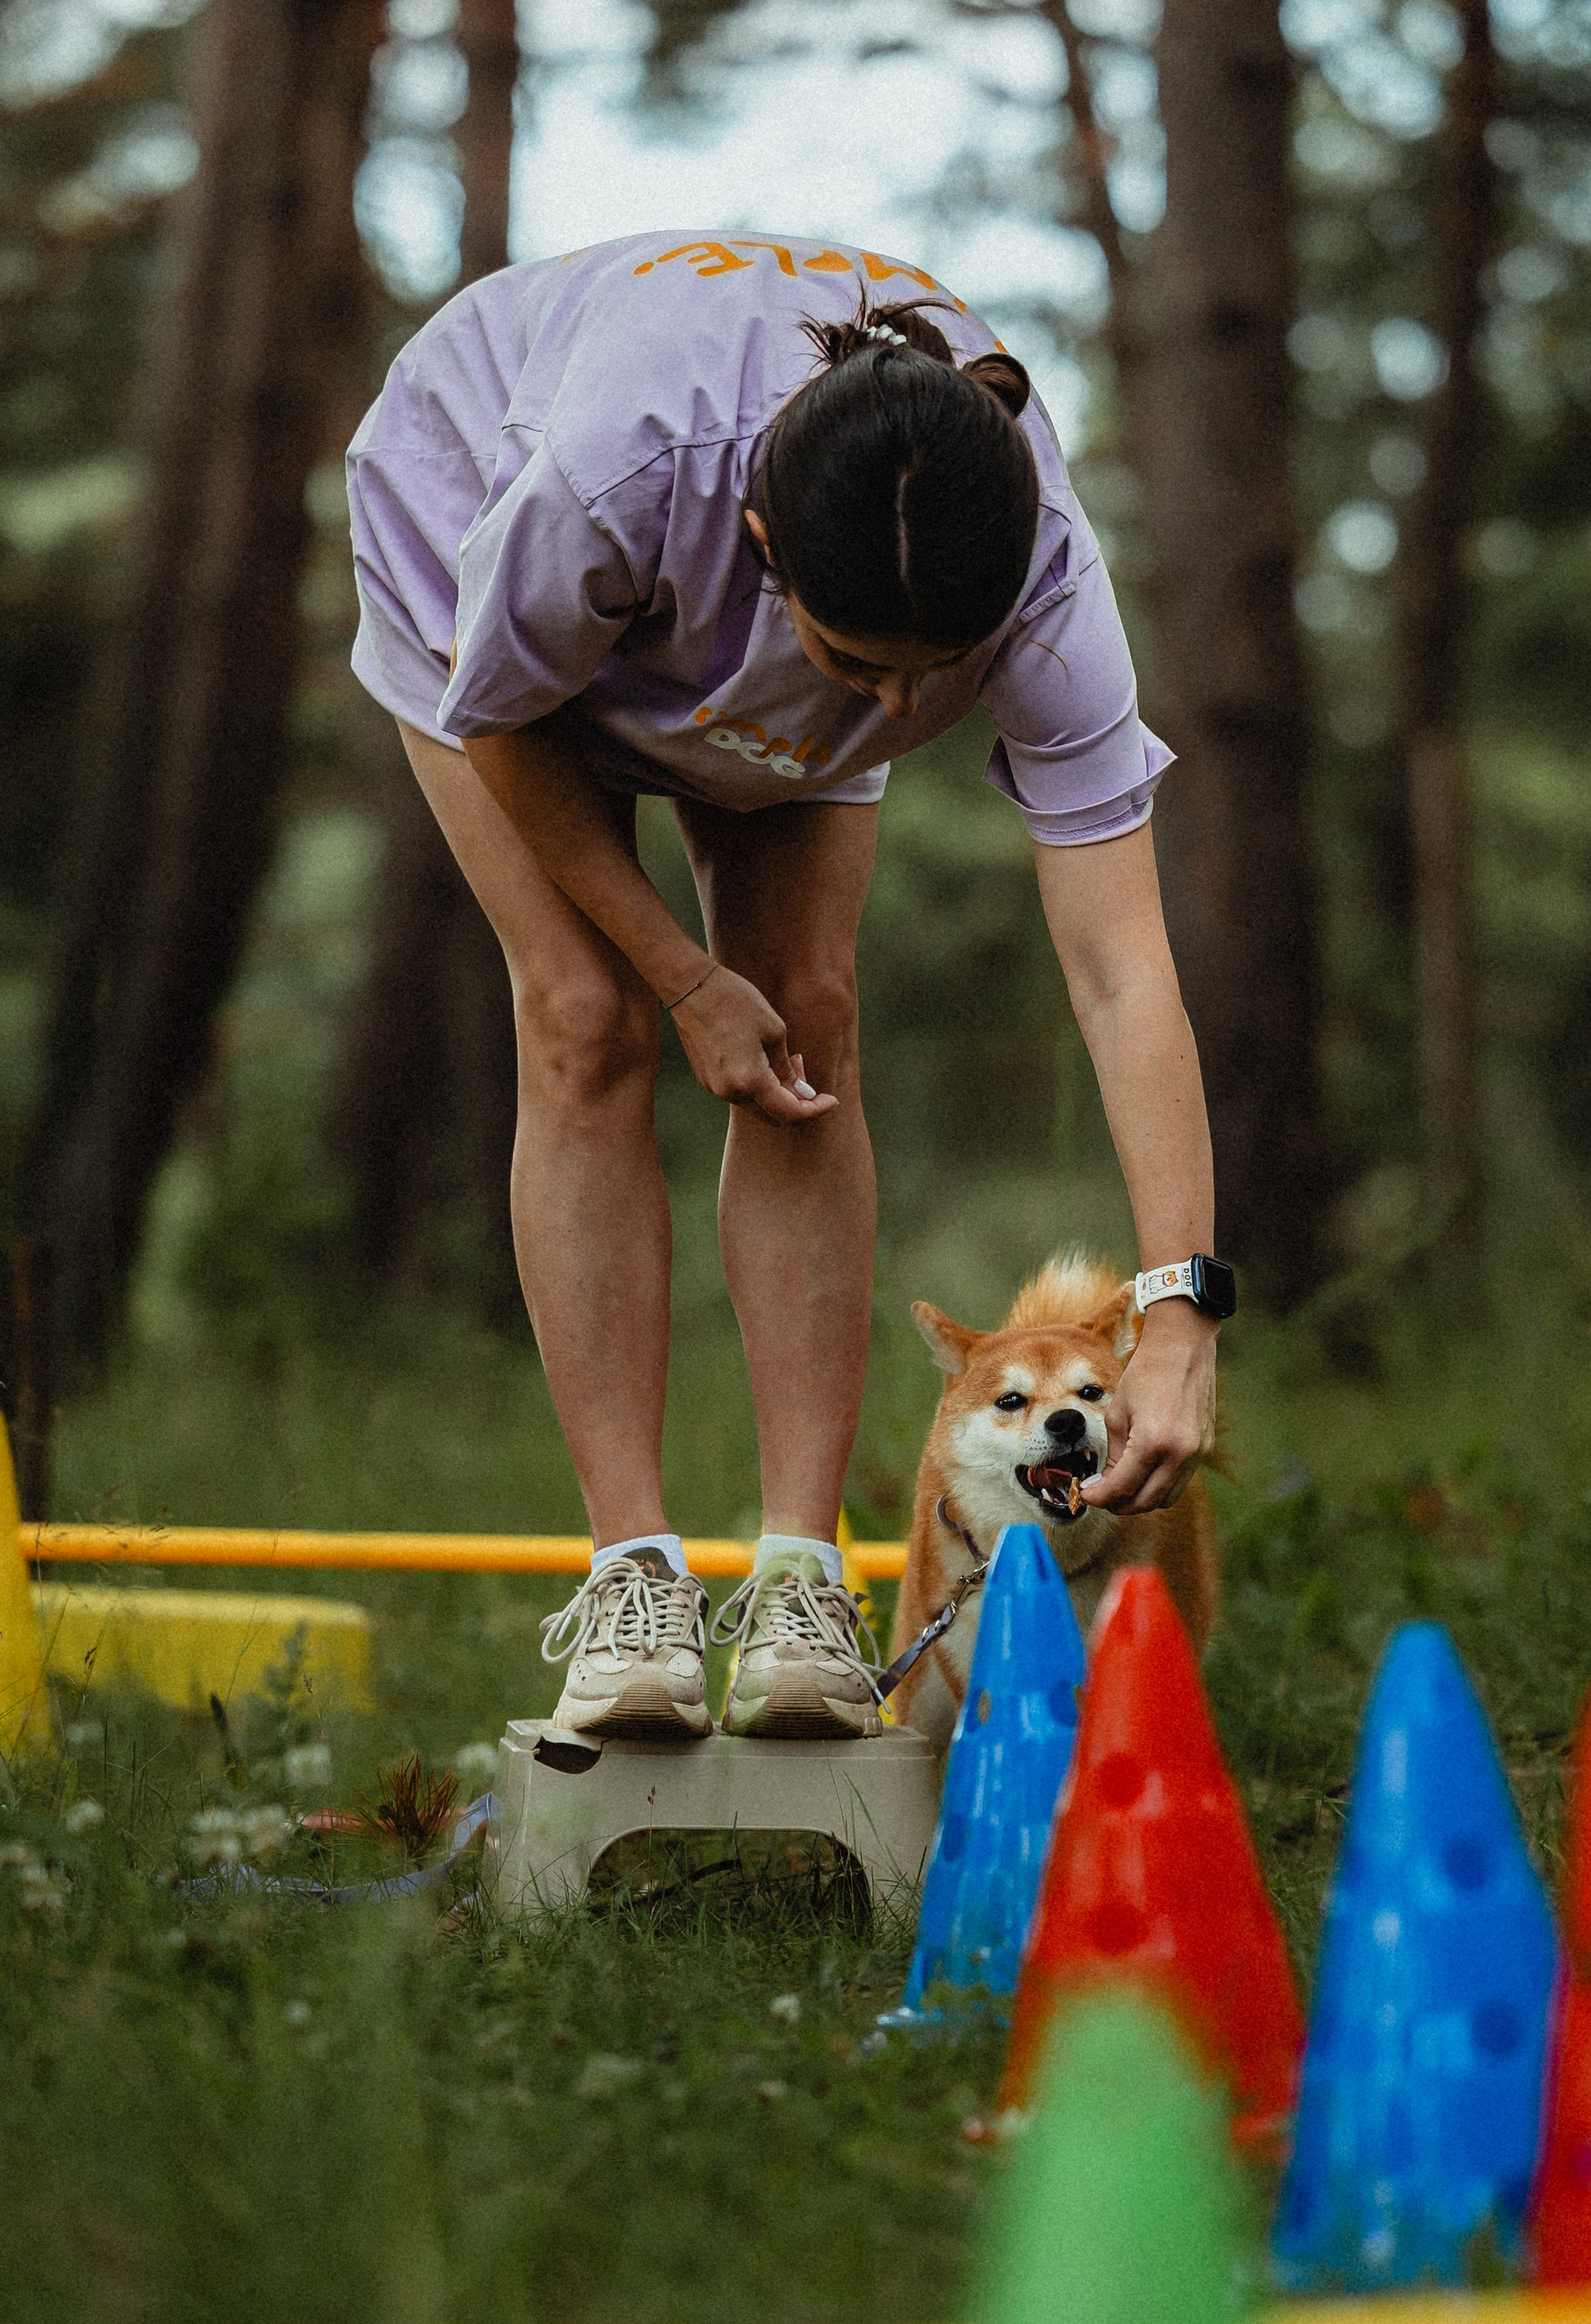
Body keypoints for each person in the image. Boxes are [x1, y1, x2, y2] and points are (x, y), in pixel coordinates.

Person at [347, 229, 1223, 1750]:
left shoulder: (1038, 575)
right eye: (852, 663)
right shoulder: (600, 485)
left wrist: (1179, 1306)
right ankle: (633, 1576)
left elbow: (1119, 964)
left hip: (718, 586)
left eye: (924, 682)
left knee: (807, 1017)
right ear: (763, 537)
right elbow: (503, 725)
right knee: (583, 1022)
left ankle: (802, 1575)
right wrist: (682, 974)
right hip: (479, 534)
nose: (889, 714)